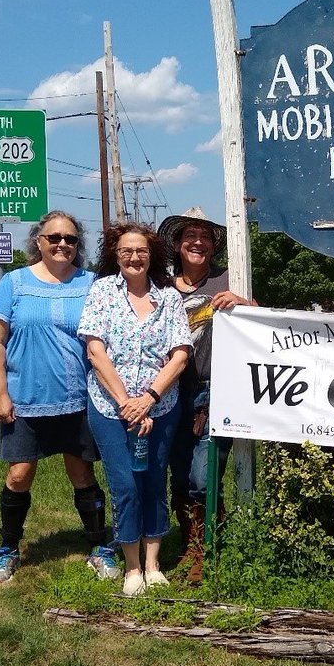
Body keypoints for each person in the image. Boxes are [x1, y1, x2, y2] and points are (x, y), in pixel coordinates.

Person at [0, 211, 115, 584]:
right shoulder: (14, 283)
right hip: (25, 399)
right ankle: (8, 548)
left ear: (79, 245)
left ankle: (98, 546)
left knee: (82, 474)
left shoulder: (93, 284)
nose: (62, 244)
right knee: (19, 474)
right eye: (54, 237)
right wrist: (0, 393)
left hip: (78, 399)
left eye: (71, 239)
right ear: (38, 241)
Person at [79, 222, 191, 597]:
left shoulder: (169, 297)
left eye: (141, 250)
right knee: (125, 484)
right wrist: (128, 402)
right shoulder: (101, 292)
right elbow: (96, 351)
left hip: (160, 408)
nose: (134, 257)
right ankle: (131, 565)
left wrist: (150, 400)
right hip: (111, 409)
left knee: (154, 481)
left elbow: (180, 355)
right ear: (115, 254)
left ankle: (153, 563)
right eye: (126, 250)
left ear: (151, 255)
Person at [156, 207, 256, 583]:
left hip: (218, 390)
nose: (197, 242)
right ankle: (191, 548)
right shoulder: (162, 288)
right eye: (189, 236)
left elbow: (264, 323)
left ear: (214, 246)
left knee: (204, 474)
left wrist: (245, 304)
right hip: (172, 393)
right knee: (179, 475)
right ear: (178, 244)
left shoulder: (229, 279)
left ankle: (208, 547)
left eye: (204, 236)